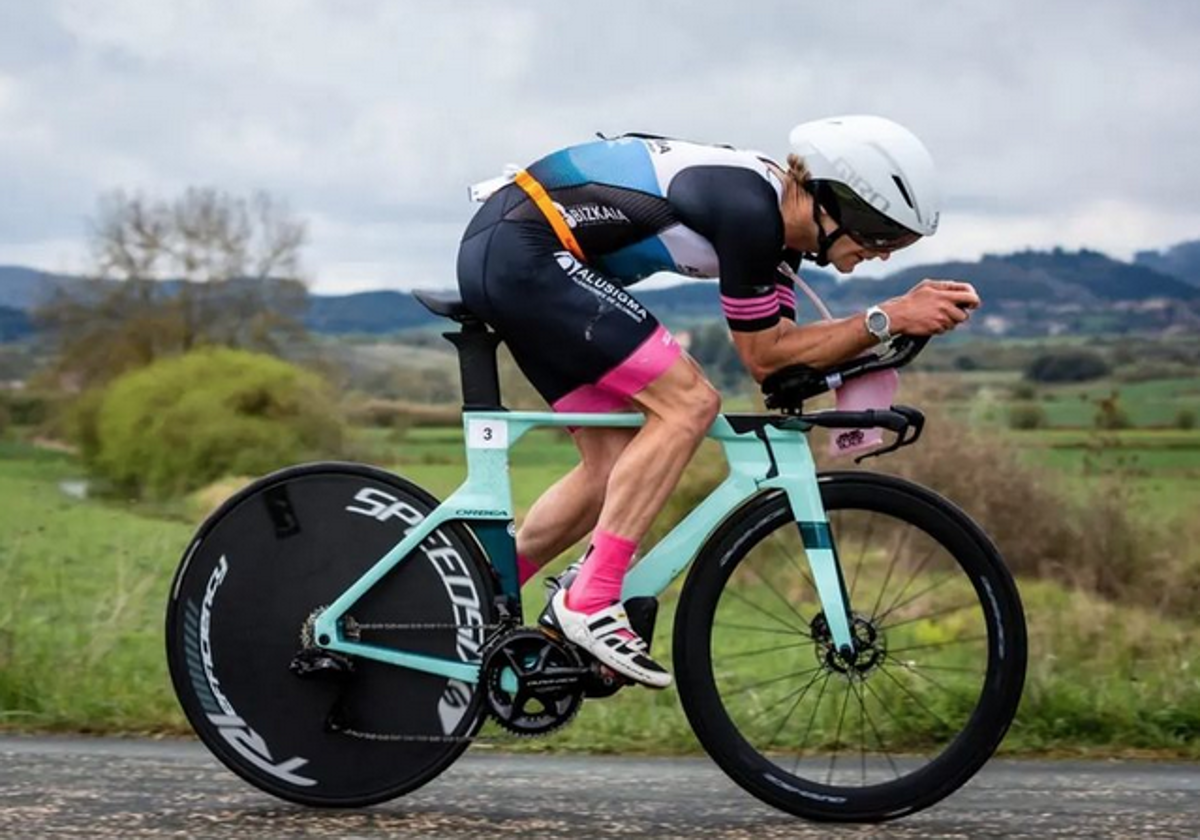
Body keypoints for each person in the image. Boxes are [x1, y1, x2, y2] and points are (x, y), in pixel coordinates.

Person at [455, 115, 980, 689]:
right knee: (688, 404)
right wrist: (888, 317)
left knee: (611, 468)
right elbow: (765, 356)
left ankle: (458, 598)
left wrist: (877, 345)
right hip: (524, 253)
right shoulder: (751, 211)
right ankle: (590, 598)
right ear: (841, 204)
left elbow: (783, 363)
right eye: (881, 237)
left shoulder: (778, 242)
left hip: (523, 256)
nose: (881, 257)